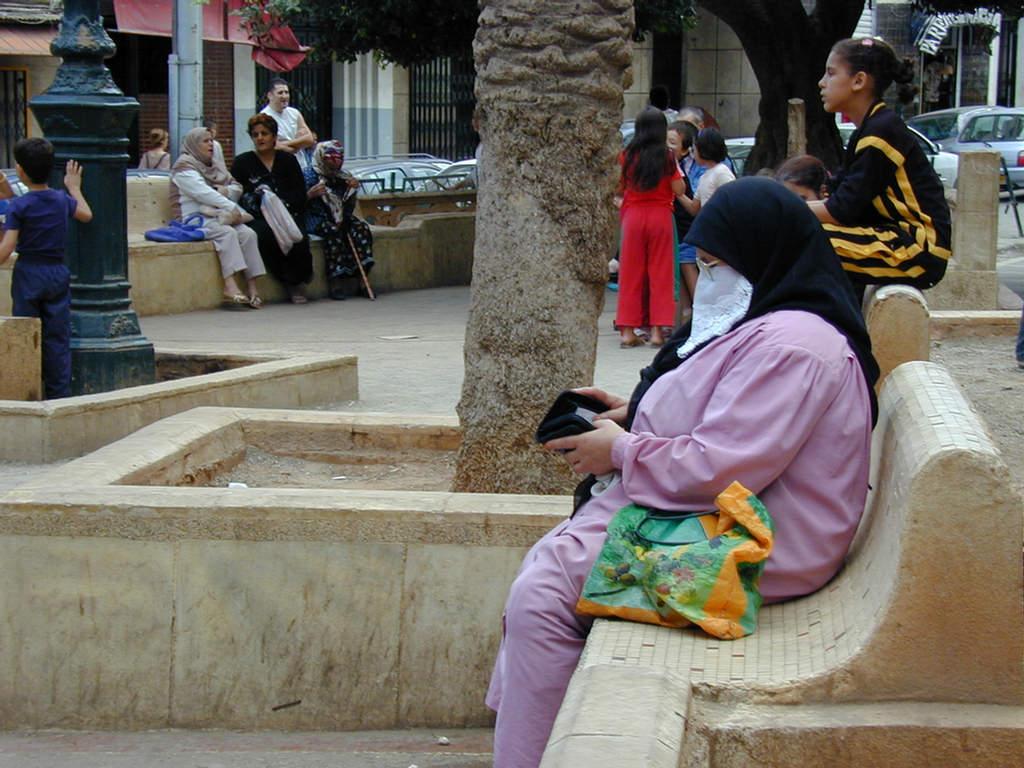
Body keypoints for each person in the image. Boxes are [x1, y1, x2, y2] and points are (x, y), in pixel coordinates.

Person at [486, 178, 878, 768]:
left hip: (754, 544)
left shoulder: (793, 346)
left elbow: (723, 468)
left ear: (761, 255)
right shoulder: (774, 329)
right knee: (547, 571)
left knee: (544, 594)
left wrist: (619, 452)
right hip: (724, 519)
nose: (709, 281)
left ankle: (532, 754)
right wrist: (631, 414)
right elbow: (724, 419)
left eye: (720, 267)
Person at [811, 36, 951, 290]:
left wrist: (781, 207)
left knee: (795, 238)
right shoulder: (870, 129)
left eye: (830, 73)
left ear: (859, 81)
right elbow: (839, 195)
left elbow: (841, 210)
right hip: (897, 241)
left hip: (917, 250)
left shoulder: (881, 132)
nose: (822, 83)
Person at [0, 138, 93, 398]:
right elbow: (86, 214)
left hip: (29, 272)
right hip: (57, 271)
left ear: (20, 170)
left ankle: (27, 391)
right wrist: (74, 187)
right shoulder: (61, 200)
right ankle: (58, 394)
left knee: (26, 331)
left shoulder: (20, 205)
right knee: (57, 337)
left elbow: (7, 248)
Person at [170, 127, 267, 309]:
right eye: (205, 141)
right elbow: (203, 193)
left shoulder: (215, 165)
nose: (211, 145)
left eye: (211, 141)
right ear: (194, 144)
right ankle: (230, 286)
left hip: (222, 214)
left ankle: (253, 287)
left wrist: (225, 191)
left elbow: (236, 187)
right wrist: (229, 204)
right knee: (226, 233)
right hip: (194, 218)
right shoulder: (184, 166)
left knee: (247, 234)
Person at [615, 106, 685, 348]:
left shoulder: (627, 155)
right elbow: (678, 189)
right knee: (660, 274)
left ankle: (627, 330)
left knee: (630, 273)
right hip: (660, 216)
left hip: (633, 216)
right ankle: (657, 331)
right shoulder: (667, 156)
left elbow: (618, 187)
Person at [231, 114, 314, 304]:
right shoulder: (243, 162)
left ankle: (298, 281)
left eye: (264, 133)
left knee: (297, 237)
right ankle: (286, 281)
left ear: (274, 136)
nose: (260, 138)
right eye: (255, 134)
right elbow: (237, 193)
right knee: (266, 235)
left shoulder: (287, 160)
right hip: (258, 216)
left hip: (288, 212)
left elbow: (299, 193)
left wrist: (281, 204)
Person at [303, 140, 374, 300]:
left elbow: (347, 207)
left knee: (361, 229)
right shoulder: (309, 175)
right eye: (330, 158)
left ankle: (363, 279)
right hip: (316, 218)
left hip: (340, 216)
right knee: (333, 232)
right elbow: (297, 203)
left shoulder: (343, 177)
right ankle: (335, 279)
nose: (336, 162)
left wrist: (352, 191)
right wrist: (309, 195)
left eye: (339, 158)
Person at [667, 120, 698, 324]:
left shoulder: (682, 168)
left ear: (686, 149)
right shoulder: (673, 163)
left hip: (687, 229)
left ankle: (700, 313)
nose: (667, 147)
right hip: (678, 228)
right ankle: (687, 316)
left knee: (687, 268)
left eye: (672, 142)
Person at [260, 78, 316, 156]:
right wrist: (298, 144)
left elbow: (309, 139)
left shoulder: (294, 113)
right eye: (280, 93)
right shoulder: (264, 117)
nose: (284, 96)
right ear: (270, 95)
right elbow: (270, 146)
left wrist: (284, 144)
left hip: (300, 164)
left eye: (286, 92)